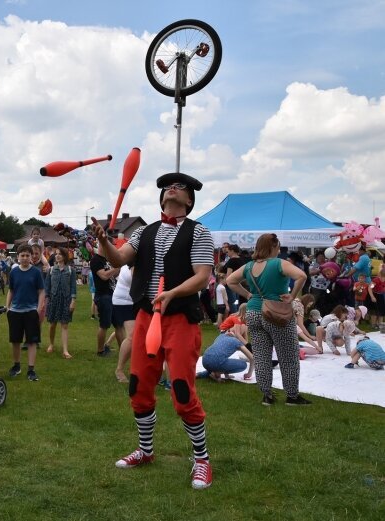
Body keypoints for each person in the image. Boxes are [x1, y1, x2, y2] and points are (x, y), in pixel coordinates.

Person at [91, 172, 215, 490]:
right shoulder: (145, 231)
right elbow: (118, 258)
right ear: (161, 198)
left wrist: (173, 293)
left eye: (179, 187)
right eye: (166, 187)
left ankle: (201, 460)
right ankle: (146, 452)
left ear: (188, 199)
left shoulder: (199, 232)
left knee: (182, 392)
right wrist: (105, 240)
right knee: (138, 387)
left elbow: (203, 276)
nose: (171, 189)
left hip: (180, 319)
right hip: (147, 316)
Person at [226, 233, 311, 406]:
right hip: (276, 312)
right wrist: (292, 296)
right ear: (272, 247)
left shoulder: (249, 266)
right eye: (278, 246)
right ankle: (292, 396)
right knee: (288, 356)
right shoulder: (279, 263)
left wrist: (249, 295)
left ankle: (267, 396)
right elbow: (302, 276)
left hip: (253, 312)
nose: (279, 249)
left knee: (262, 356)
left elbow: (230, 281)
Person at [6, 244, 45, 382]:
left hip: (30, 311)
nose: (25, 258)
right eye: (22, 255)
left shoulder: (36, 272)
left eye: (27, 255)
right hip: (15, 311)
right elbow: (11, 290)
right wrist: (7, 306)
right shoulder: (13, 272)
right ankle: (16, 366)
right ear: (18, 257)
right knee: (15, 340)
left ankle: (31, 369)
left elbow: (41, 291)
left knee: (32, 341)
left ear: (31, 257)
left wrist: (39, 308)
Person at [44, 247, 76, 360]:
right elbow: (46, 287)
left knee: (65, 325)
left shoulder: (70, 270)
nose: (57, 256)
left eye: (60, 254)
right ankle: (51, 344)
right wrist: (46, 300)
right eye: (56, 254)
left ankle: (65, 350)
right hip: (53, 300)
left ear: (64, 256)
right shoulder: (51, 270)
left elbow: (73, 287)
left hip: (66, 300)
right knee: (52, 324)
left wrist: (73, 300)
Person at [90, 242, 120, 357]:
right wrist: (116, 268)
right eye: (107, 245)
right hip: (103, 296)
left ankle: (119, 348)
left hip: (112, 295)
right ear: (101, 246)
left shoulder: (107, 260)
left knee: (118, 325)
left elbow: (115, 274)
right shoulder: (96, 260)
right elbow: (104, 276)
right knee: (104, 325)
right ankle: (100, 351)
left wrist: (118, 267)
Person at [112, 264, 136, 383]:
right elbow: (136, 279)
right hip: (124, 301)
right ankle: (119, 369)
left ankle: (137, 369)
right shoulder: (133, 259)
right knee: (132, 336)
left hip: (135, 301)